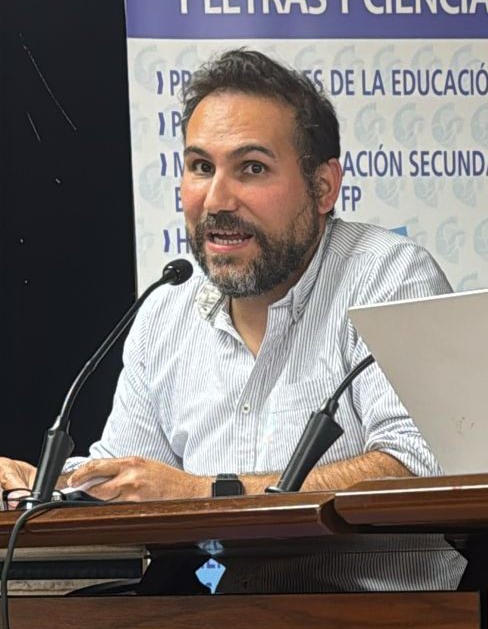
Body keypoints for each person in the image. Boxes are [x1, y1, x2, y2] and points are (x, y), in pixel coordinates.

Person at [0, 48, 464, 590]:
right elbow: (137, 477)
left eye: (252, 168)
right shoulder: (166, 310)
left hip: (372, 613)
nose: (217, 199)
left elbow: (419, 467)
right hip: (206, 605)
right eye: (201, 167)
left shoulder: (385, 277)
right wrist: (45, 486)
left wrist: (201, 492)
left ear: (323, 187)